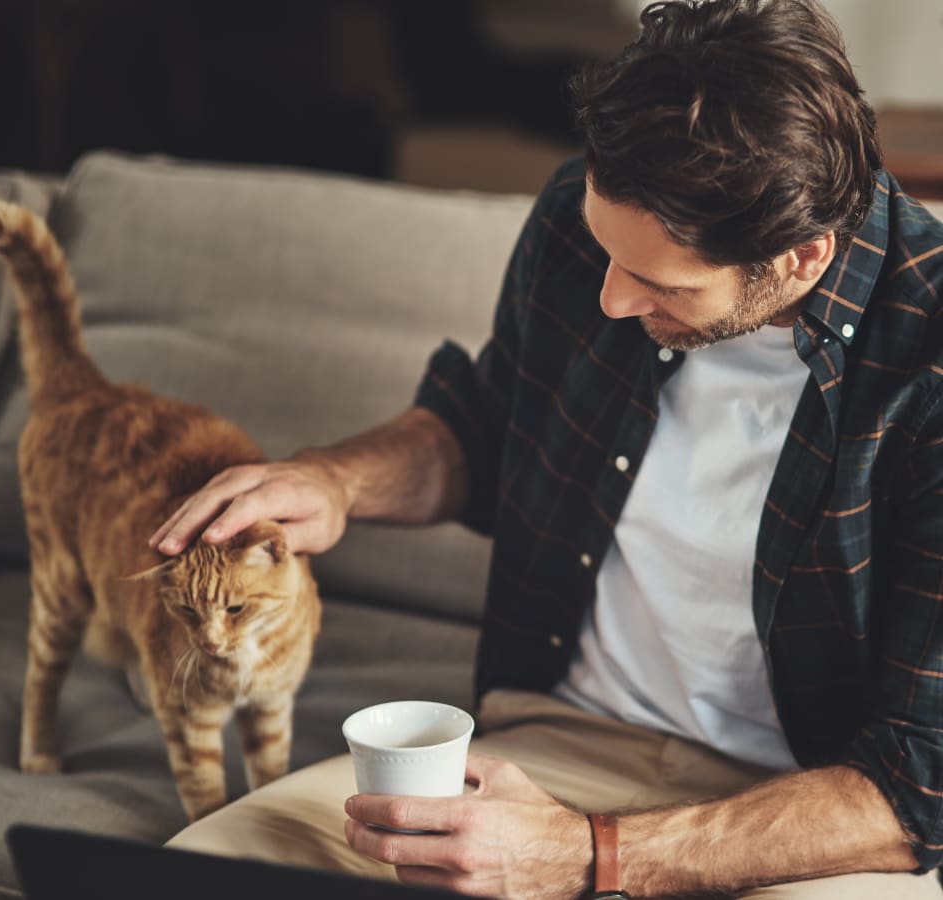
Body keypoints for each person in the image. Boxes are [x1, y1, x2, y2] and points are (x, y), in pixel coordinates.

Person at [150, 1, 943, 897]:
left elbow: (917, 785)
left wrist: (586, 855)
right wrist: (335, 482)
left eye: (655, 281)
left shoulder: (928, 360)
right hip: (548, 742)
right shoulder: (579, 211)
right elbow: (489, 428)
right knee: (195, 878)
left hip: (803, 818)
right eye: (608, 252)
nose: (608, 300)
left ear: (799, 259)